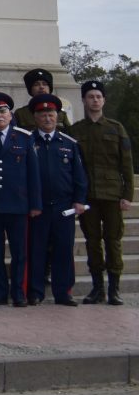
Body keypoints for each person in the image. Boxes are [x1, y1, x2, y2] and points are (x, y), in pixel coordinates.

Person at [68, 79, 133, 305]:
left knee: (113, 240)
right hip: (88, 196)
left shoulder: (116, 128)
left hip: (113, 194)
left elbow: (127, 164)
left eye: (98, 96)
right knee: (92, 241)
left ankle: (114, 288)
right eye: (90, 96)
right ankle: (98, 288)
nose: (95, 100)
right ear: (84, 100)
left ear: (104, 100)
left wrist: (127, 195)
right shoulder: (76, 130)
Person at [0, 91, 40, 307]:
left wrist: (35, 204)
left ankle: (19, 292)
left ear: (10, 114)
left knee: (19, 253)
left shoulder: (24, 137)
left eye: (3, 111)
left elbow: (34, 174)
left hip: (18, 205)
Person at [26, 94, 88, 306]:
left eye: (51, 114)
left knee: (63, 249)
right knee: (37, 250)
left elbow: (79, 175)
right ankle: (35, 292)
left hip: (63, 207)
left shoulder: (69, 144)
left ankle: (63, 292)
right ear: (35, 117)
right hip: (37, 207)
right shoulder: (27, 141)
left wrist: (79, 200)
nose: (47, 118)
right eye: (42, 114)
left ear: (57, 116)